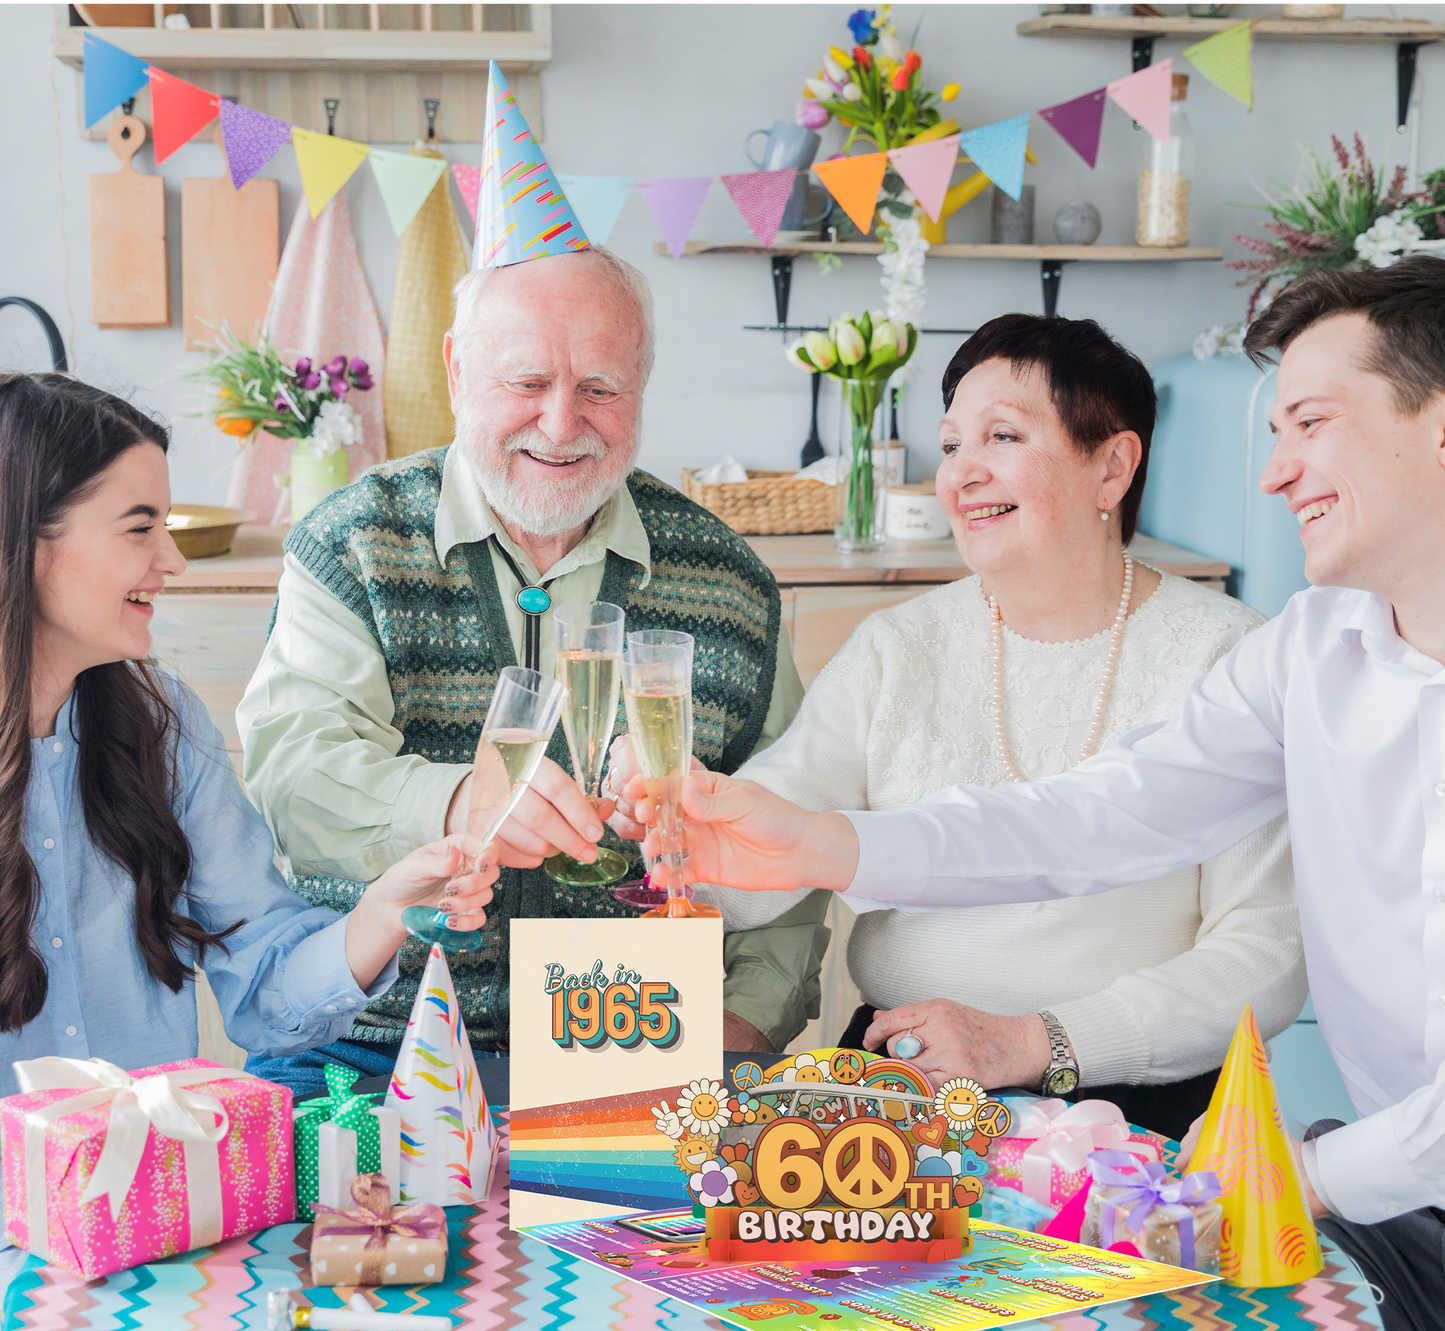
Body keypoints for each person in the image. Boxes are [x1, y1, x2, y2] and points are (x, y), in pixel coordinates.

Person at [622, 259, 1445, 1331]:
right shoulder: (1316, 646)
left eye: (1311, 423)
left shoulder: (1232, 637)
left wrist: (1279, 1176)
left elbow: (1273, 976)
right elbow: (1096, 814)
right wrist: (821, 842)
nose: (1272, 473)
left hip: (1332, 1167)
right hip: (1371, 1195)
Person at [611, 315, 1305, 1141]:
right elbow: (767, 852)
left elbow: (1266, 958)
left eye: (1001, 436)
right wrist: (681, 831)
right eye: (949, 446)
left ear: (1112, 467)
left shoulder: (1229, 652)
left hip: (1132, 1111)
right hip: (896, 1081)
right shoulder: (896, 646)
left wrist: (1034, 1042)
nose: (961, 473)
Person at [237, 244, 817, 1092]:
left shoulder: (729, 581)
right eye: (525, 381)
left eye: (600, 389)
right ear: (456, 368)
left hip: (638, 1052)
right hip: (368, 1044)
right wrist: (452, 801)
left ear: (641, 386)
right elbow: (293, 780)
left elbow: (793, 832)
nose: (559, 422)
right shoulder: (353, 543)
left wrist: (738, 1028)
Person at [0, 372, 495, 1092]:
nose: (171, 561)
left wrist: (385, 908)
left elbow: (264, 985)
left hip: (152, 1186)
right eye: (140, 528)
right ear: (26, 538)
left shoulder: (159, 724)